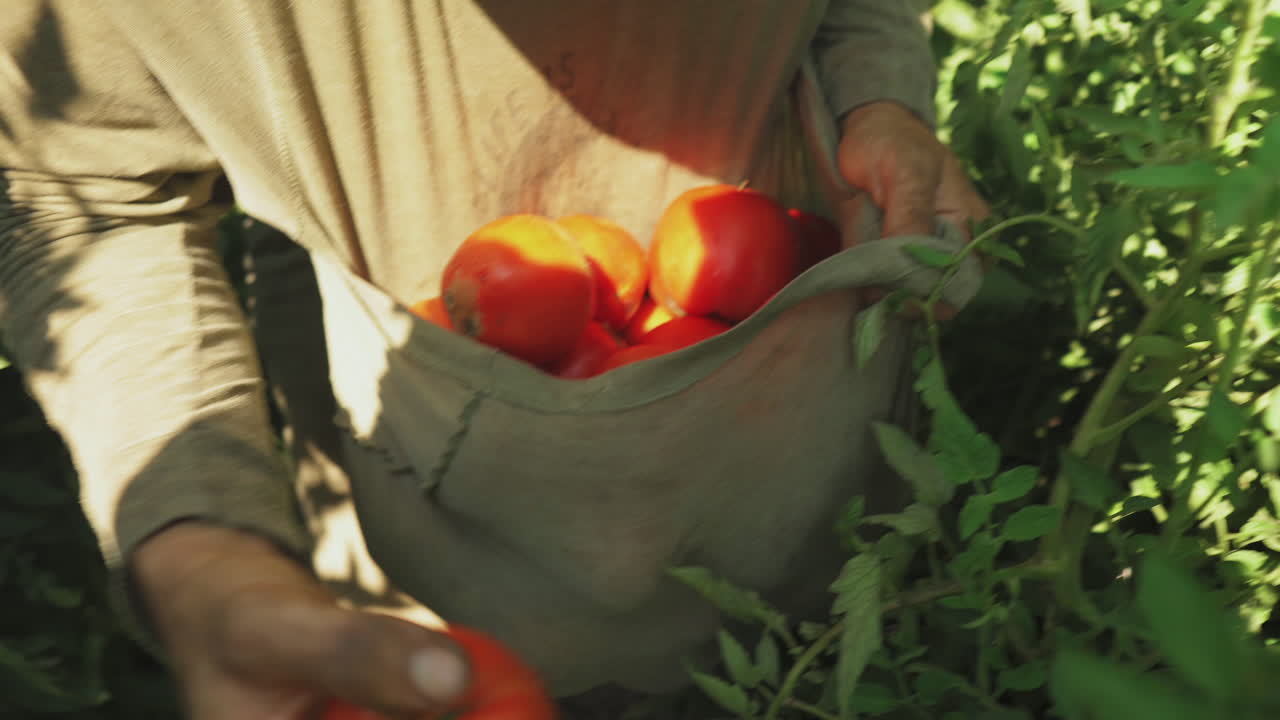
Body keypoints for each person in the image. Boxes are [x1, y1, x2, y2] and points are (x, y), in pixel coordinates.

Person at [0, 2, 988, 719]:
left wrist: (873, 101)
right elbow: (71, 186)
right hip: (415, 525)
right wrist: (204, 550)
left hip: (778, 484)